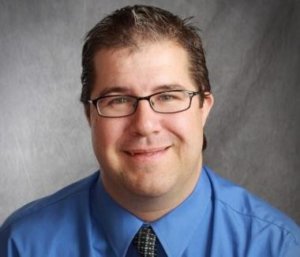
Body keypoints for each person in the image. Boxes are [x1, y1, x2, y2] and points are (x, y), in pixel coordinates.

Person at [0, 5, 299, 257]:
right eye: (118, 100)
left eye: (168, 96)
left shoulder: (278, 246)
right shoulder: (22, 245)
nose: (144, 125)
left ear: (204, 108)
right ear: (90, 115)